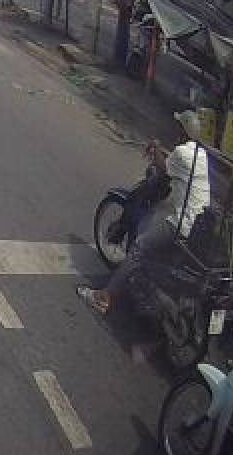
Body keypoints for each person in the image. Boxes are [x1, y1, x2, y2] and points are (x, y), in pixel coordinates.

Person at [77, 112, 212, 313]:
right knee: (160, 215)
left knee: (139, 247)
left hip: (182, 223)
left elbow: (164, 166)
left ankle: (103, 298)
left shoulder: (182, 153)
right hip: (199, 223)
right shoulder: (201, 155)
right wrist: (161, 151)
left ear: (182, 132)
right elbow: (174, 164)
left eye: (177, 127)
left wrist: (155, 147)